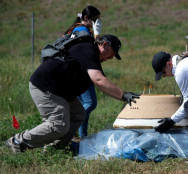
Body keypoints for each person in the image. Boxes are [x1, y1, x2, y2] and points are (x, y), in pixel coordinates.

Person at [6, 34, 140, 153]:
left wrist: (121, 96)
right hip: (45, 87)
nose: (111, 57)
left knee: (78, 114)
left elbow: (101, 84)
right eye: (112, 53)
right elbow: (99, 80)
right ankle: (18, 141)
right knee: (59, 124)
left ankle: (56, 149)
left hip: (61, 92)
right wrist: (124, 95)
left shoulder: (91, 55)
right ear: (105, 44)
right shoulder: (88, 49)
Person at [64, 6, 102, 138]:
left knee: (83, 106)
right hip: (81, 72)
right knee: (90, 103)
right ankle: (69, 128)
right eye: (95, 20)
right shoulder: (82, 30)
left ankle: (82, 137)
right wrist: (97, 35)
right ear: (86, 18)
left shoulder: (78, 29)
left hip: (77, 72)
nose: (97, 23)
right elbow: (88, 51)